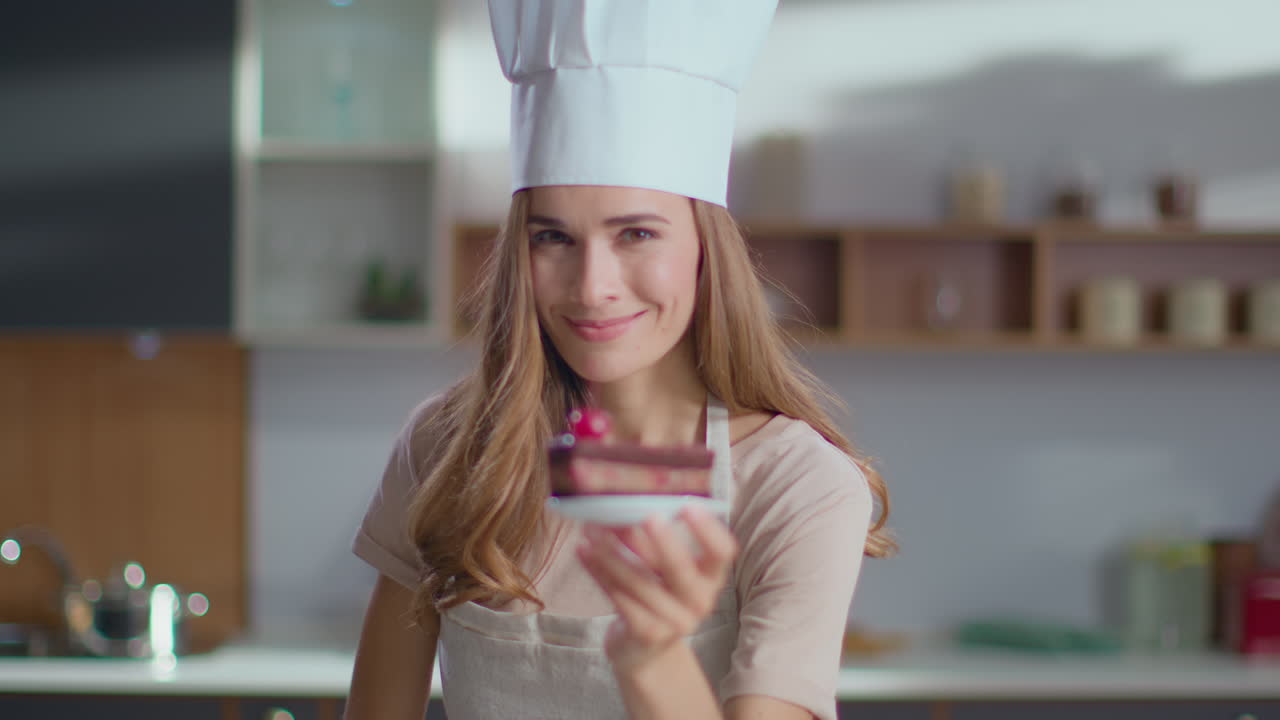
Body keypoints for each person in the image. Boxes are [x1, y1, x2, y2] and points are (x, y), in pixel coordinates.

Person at [345, 1, 894, 718]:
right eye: (553, 238)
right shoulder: (447, 448)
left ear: (704, 246)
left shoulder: (798, 488)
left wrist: (653, 659)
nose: (592, 287)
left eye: (636, 233)